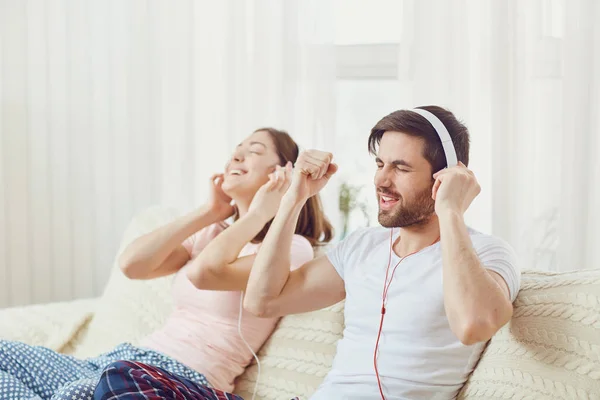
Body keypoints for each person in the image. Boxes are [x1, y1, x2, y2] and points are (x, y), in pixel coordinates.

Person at [93, 106, 520, 400]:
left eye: (401, 168)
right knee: (120, 380)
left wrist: (450, 213)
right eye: (379, 165)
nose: (382, 181)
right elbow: (264, 299)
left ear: (446, 177)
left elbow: (473, 324)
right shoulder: (364, 248)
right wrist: (295, 198)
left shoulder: (487, 254)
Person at [0, 128, 332, 400]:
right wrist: (209, 212)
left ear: (281, 172)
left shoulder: (290, 247)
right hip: (122, 361)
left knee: (74, 394)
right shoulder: (212, 234)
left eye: (254, 150)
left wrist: (265, 211)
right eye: (236, 148)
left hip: (180, 378)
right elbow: (132, 265)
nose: (236, 155)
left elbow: (207, 274)